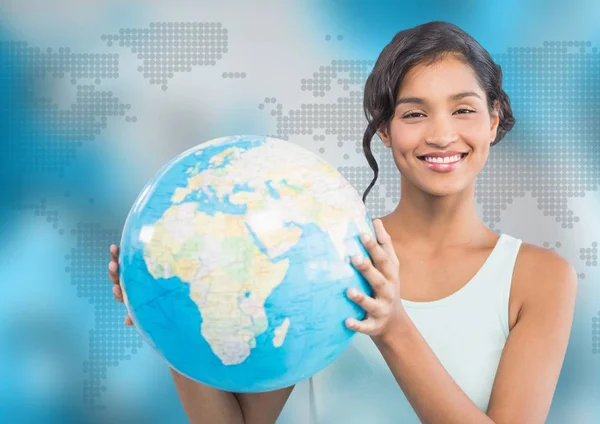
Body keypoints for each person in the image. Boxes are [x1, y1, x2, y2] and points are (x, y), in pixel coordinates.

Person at [108, 21, 578, 424]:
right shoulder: (325, 248)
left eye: (464, 109)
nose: (441, 134)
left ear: (493, 120)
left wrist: (393, 327)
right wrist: (169, 315)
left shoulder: (540, 277)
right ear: (386, 128)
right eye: (414, 113)